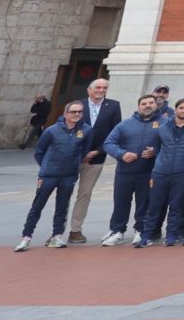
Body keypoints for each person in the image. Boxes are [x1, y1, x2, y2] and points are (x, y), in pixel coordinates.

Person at [18, 102, 90, 250]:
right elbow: (39, 151)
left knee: (62, 206)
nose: (77, 114)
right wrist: (46, 166)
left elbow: (84, 150)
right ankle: (26, 237)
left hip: (69, 175)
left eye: (80, 112)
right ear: (65, 114)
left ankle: (57, 235)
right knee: (37, 205)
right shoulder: (52, 131)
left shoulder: (86, 130)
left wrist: (75, 164)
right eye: (73, 112)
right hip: (49, 175)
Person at [66, 77, 120, 244]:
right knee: (64, 193)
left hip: (96, 158)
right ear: (89, 90)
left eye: (104, 88)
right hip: (73, 157)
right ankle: (57, 230)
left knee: (85, 194)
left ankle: (76, 229)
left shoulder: (113, 106)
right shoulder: (78, 105)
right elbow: (66, 128)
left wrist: (99, 151)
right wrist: (80, 152)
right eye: (98, 87)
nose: (101, 90)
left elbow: (115, 132)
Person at [146, 98, 184, 246]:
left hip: (182, 172)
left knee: (176, 205)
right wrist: (160, 163)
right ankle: (146, 235)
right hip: (161, 172)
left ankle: (171, 235)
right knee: (154, 205)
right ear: (176, 109)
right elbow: (156, 148)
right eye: (181, 108)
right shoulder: (163, 127)